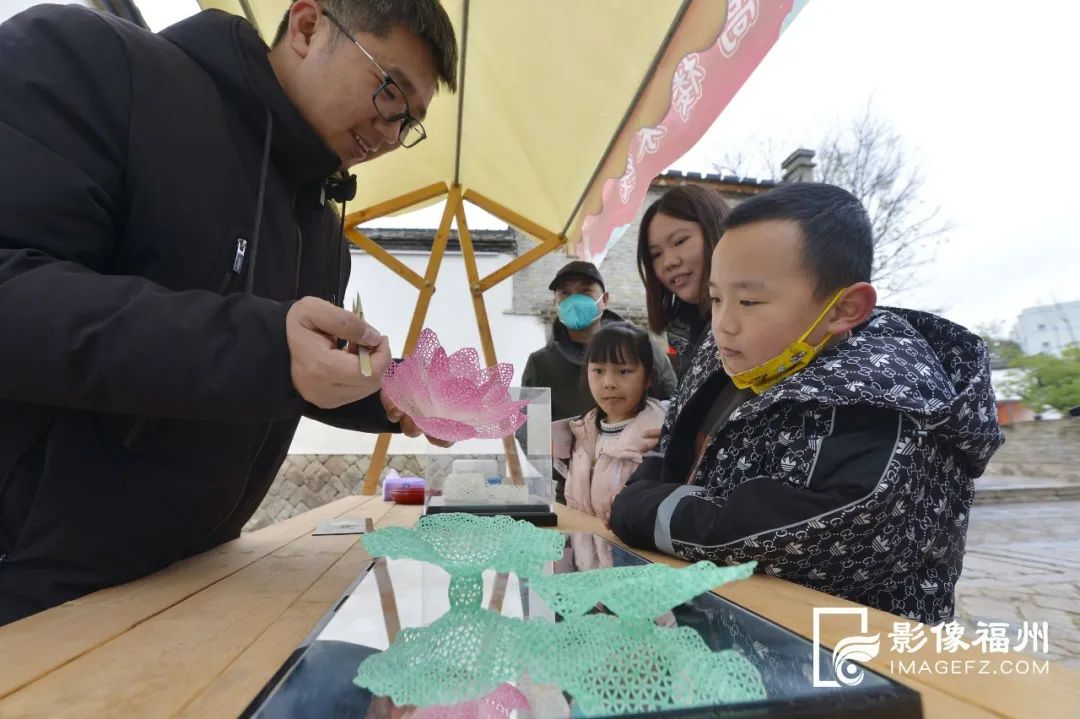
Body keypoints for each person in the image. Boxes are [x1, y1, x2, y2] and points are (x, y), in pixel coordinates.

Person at [0, 0, 457, 625]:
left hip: (194, 583)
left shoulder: (320, 225)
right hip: (33, 584)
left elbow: (281, 371)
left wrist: (389, 391)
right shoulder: (94, 62)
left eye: (408, 121)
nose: (388, 132)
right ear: (306, 25)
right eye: (389, 90)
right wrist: (269, 349)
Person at [610, 183, 1004, 624]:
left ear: (844, 308)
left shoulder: (892, 407)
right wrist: (643, 495)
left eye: (750, 301)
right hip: (719, 631)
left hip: (849, 669)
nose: (723, 324)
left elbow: (776, 536)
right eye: (717, 298)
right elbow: (674, 443)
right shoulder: (731, 360)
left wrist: (638, 508)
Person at [522, 260, 676, 422]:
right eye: (565, 293)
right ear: (556, 304)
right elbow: (531, 431)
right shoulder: (540, 365)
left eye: (586, 291)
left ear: (604, 300)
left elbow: (673, 399)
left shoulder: (641, 346)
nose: (574, 301)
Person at [564, 323, 666, 525]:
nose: (609, 382)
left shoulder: (658, 437)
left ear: (648, 378)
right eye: (598, 370)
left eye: (624, 371)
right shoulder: (582, 432)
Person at [637, 185, 731, 382]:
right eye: (655, 254)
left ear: (715, 229)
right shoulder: (680, 326)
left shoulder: (759, 316)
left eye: (680, 241)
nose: (669, 262)